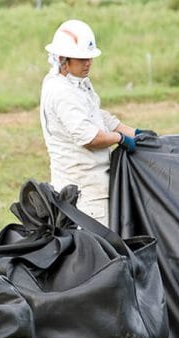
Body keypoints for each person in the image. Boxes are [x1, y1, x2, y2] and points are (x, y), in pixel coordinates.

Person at [39, 19, 154, 227]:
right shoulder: (61, 92)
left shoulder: (78, 82)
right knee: (97, 252)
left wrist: (135, 132)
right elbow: (89, 137)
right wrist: (121, 138)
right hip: (83, 192)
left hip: (96, 183)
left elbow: (97, 115)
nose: (88, 63)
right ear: (63, 58)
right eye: (82, 58)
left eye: (90, 58)